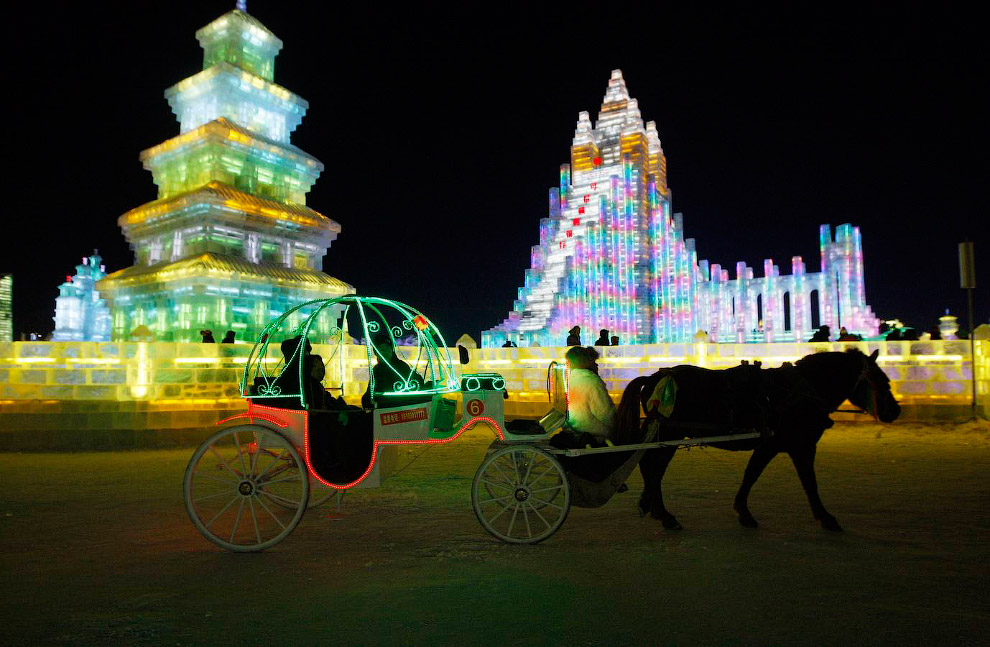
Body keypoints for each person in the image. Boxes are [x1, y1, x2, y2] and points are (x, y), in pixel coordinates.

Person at [550, 346, 615, 449]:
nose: (596, 365)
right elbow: (605, 413)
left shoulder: (569, 379)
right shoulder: (592, 382)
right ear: (588, 363)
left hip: (572, 426)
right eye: (594, 361)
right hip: (591, 429)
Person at [362, 330, 426, 409]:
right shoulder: (376, 370)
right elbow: (371, 392)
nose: (384, 351)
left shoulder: (401, 366)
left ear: (392, 350)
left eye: (386, 347)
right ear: (376, 353)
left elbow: (416, 383)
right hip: (381, 412)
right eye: (380, 349)